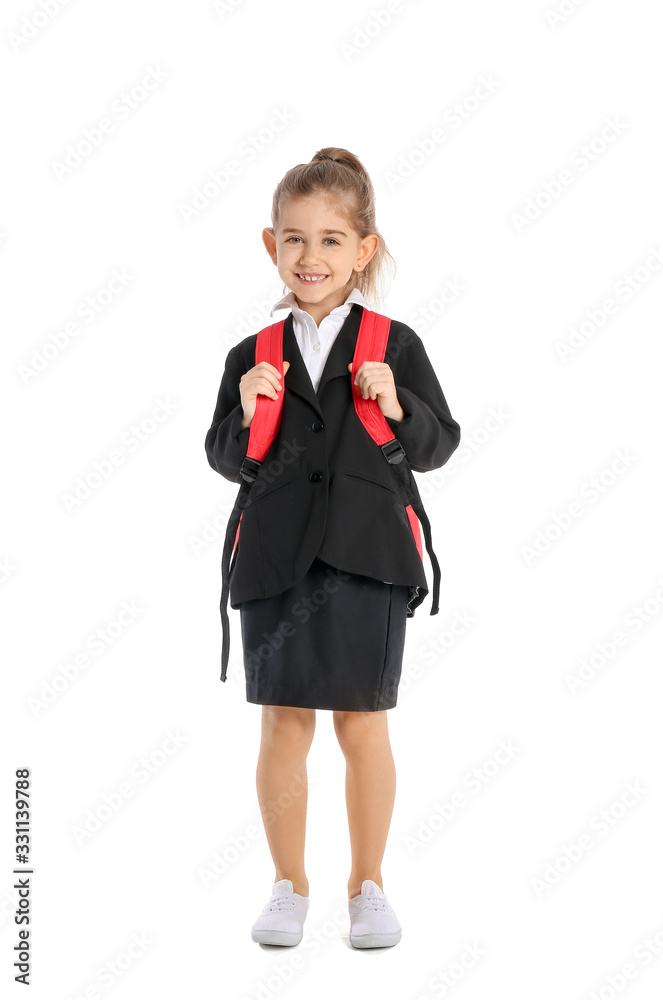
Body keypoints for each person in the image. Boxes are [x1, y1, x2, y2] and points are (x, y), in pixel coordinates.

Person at [204, 147, 460, 949]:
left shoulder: (395, 342)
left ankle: (368, 886)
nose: (309, 257)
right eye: (293, 239)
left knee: (363, 725)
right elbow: (222, 458)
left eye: (329, 240)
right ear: (269, 245)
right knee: (282, 724)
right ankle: (287, 886)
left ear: (363, 248)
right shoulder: (254, 353)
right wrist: (245, 416)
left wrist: (397, 403)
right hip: (276, 558)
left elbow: (437, 445)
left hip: (369, 556)